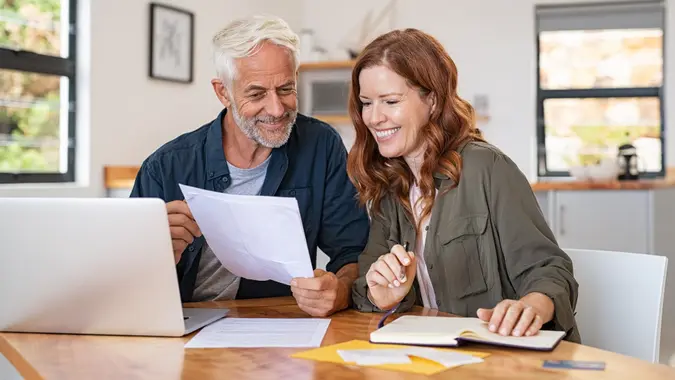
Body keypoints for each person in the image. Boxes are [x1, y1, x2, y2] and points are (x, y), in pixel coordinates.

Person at [347, 28, 580, 343]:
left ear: (432, 99)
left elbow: (550, 270)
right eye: (366, 103)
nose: (374, 118)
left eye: (390, 101)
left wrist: (530, 306)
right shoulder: (391, 188)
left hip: (504, 360)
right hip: (435, 359)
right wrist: (384, 295)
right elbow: (365, 287)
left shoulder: (488, 168)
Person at [130, 15, 370, 317]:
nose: (276, 109)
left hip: (275, 327)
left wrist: (340, 290)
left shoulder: (321, 146)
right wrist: (154, 251)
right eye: (257, 94)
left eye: (286, 89)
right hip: (182, 326)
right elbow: (123, 281)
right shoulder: (165, 167)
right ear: (223, 93)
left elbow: (353, 252)